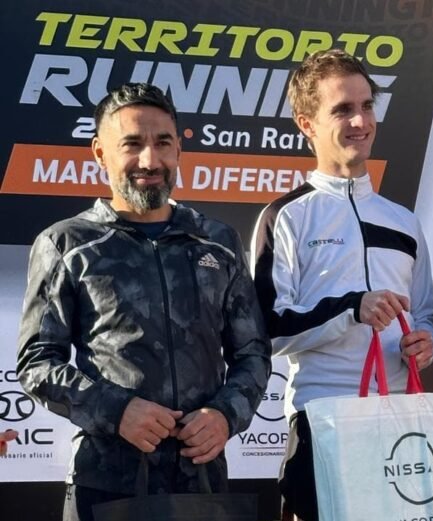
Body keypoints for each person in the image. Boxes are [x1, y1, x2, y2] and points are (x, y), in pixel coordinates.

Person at [17, 83, 271, 521]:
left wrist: (226, 415)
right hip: (105, 485)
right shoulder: (67, 244)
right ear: (101, 153)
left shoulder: (217, 241)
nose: (150, 161)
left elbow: (253, 353)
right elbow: (37, 362)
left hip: (203, 483)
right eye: (132, 144)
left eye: (163, 143)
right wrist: (117, 412)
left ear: (179, 151)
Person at [251, 49, 433, 521]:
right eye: (342, 110)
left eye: (367, 106)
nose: (360, 121)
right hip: (324, 421)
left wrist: (425, 342)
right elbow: (267, 330)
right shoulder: (286, 216)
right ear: (307, 124)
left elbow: (425, 315)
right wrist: (352, 308)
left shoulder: (403, 221)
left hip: (402, 428)